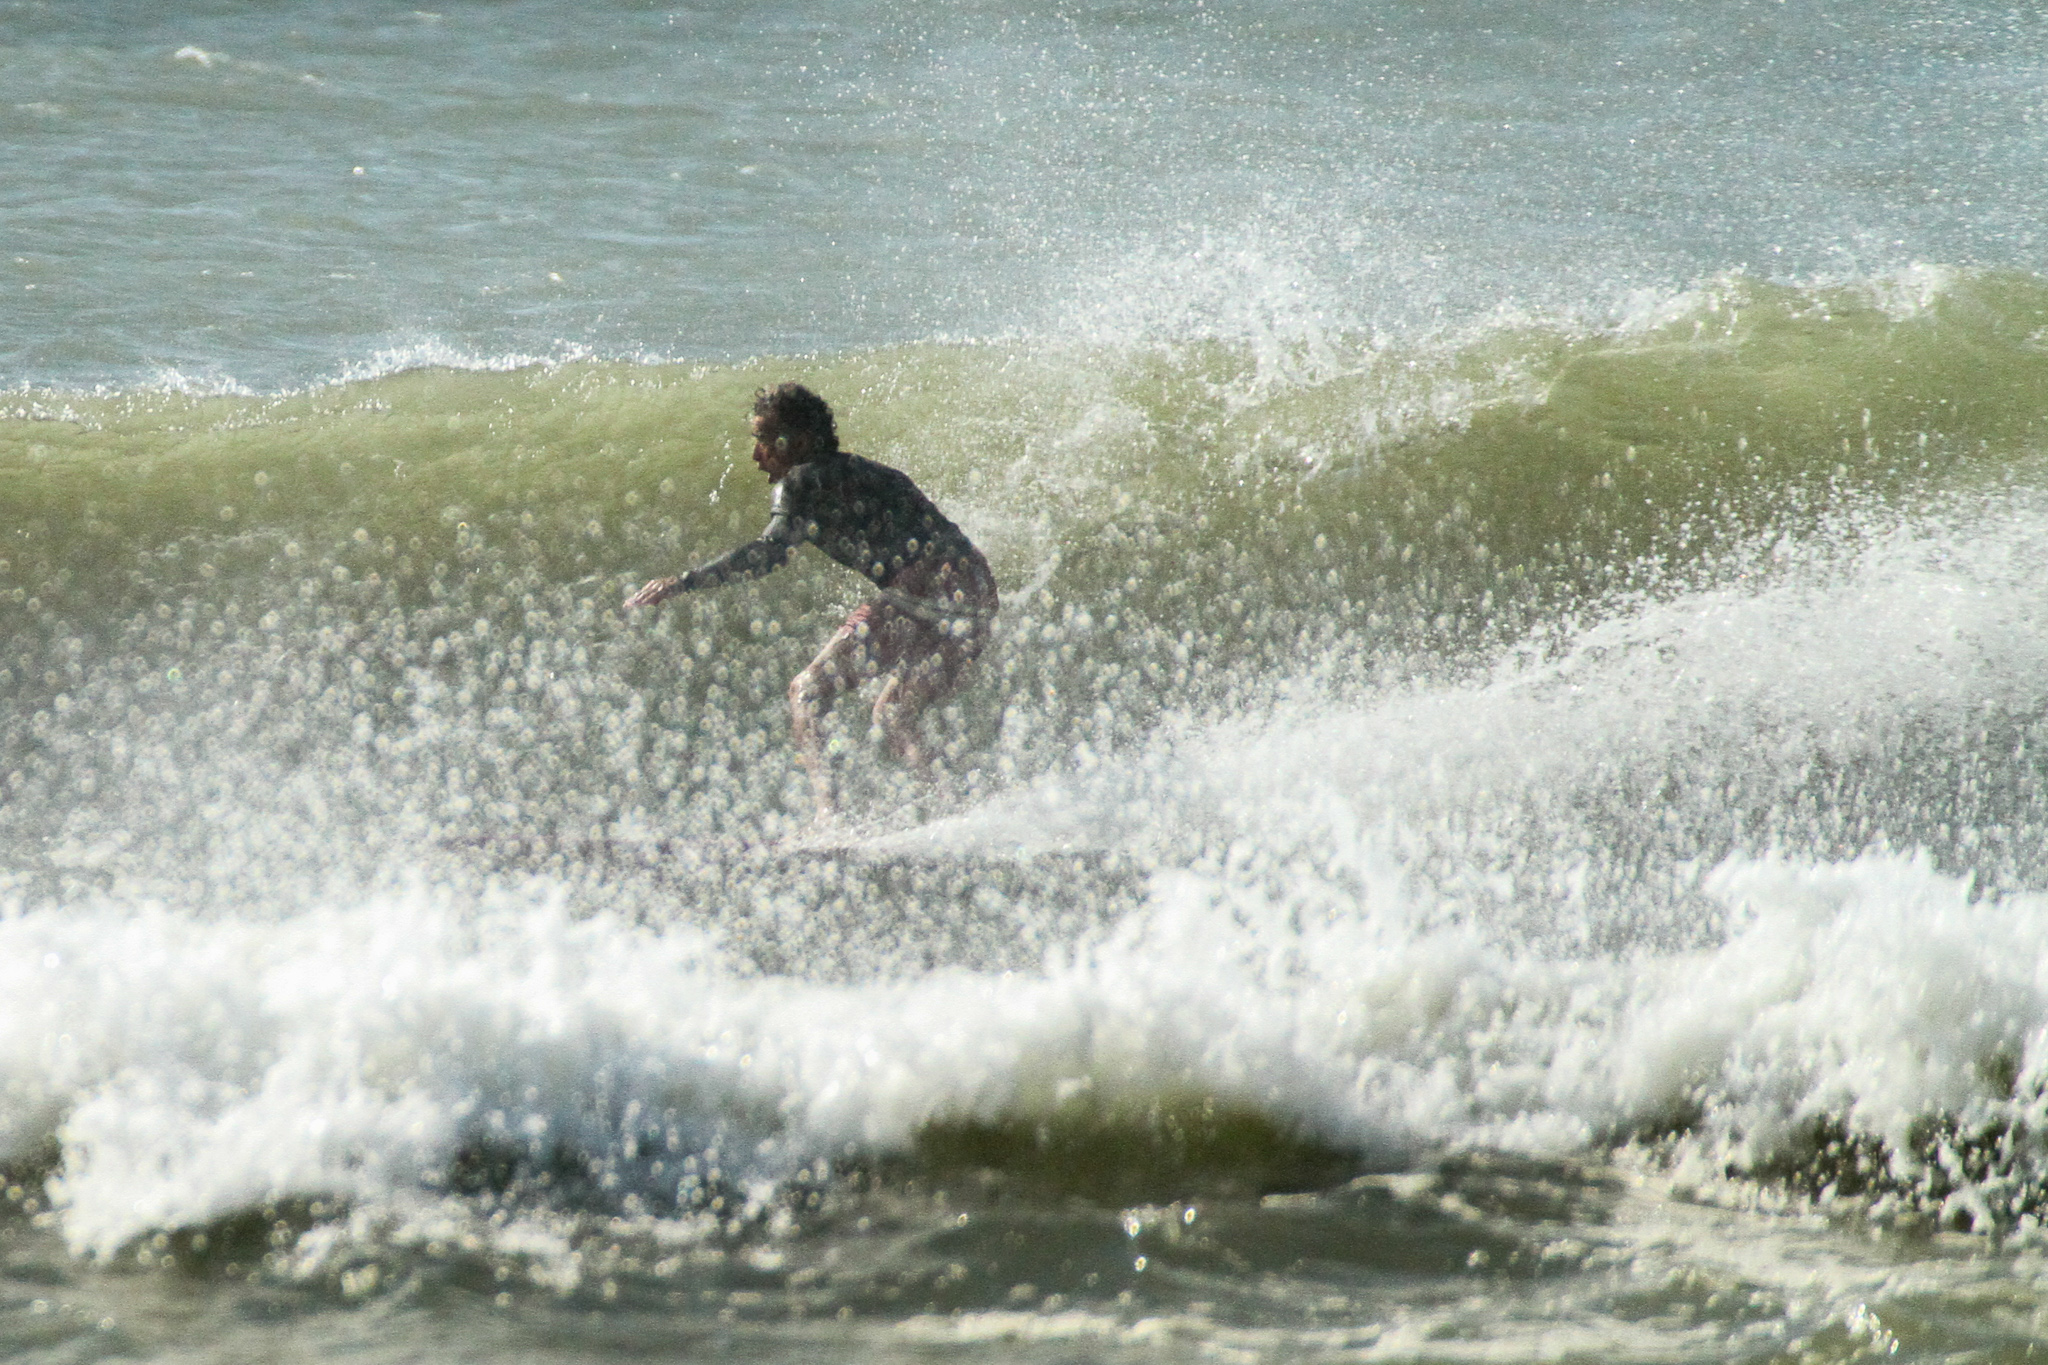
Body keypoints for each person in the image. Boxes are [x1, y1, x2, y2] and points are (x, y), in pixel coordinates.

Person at [626, 382, 999, 819]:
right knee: (895, 715)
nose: (757, 456)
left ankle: (830, 818)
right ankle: (955, 813)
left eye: (765, 441)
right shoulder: (868, 472)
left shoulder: (801, 481)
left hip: (926, 591)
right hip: (976, 594)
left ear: (799, 442)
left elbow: (768, 554)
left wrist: (683, 583)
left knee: (807, 692)